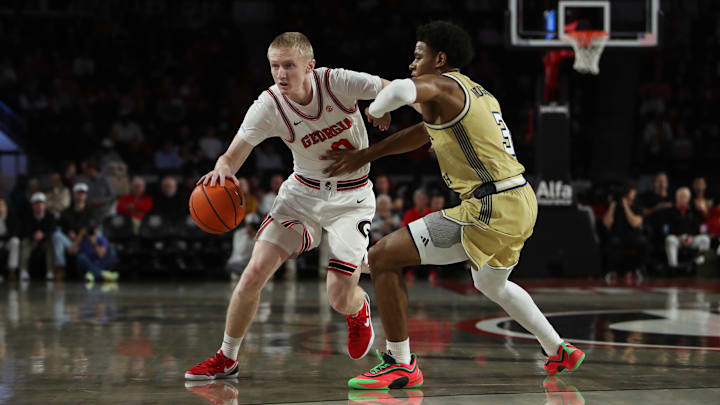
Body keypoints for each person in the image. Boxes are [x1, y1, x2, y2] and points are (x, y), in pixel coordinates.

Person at [322, 21, 584, 389]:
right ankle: (557, 347)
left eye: (418, 56)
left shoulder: (443, 84)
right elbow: (420, 134)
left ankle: (401, 363)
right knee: (493, 284)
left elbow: (398, 89)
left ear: (439, 59)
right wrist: (368, 154)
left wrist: (378, 110)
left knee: (382, 257)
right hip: (519, 200)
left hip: (490, 206)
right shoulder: (478, 93)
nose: (412, 64)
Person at [185, 32, 396, 380]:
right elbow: (234, 153)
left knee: (338, 296)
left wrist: (383, 105)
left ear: (309, 66)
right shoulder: (270, 104)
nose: (280, 74)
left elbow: (396, 88)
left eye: (288, 65)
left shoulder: (337, 82)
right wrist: (223, 167)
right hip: (301, 195)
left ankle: (358, 308)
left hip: (351, 199)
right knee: (254, 272)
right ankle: (227, 357)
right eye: (274, 66)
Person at [601, 185, 649, 283]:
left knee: (643, 243)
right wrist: (612, 206)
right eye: (628, 197)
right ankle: (612, 270)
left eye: (632, 197)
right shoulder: (615, 207)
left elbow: (635, 223)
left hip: (634, 236)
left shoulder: (637, 207)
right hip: (618, 236)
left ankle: (638, 269)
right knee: (611, 242)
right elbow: (606, 223)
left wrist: (626, 207)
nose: (631, 199)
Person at [7, 192, 56, 281]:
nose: (39, 206)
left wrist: (43, 234)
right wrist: (33, 235)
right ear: (32, 205)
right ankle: (23, 270)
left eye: (41, 203)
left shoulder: (50, 216)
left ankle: (50, 271)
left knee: (51, 244)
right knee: (25, 243)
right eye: (36, 203)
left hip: (45, 240)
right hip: (31, 239)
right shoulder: (27, 216)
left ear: (44, 204)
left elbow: (52, 230)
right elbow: (23, 230)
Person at [52, 183, 94, 281]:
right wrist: (68, 233)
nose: (80, 196)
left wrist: (76, 243)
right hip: (69, 242)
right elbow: (62, 228)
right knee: (56, 235)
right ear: (74, 195)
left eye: (82, 193)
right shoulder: (66, 212)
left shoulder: (90, 212)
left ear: (86, 195)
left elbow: (87, 230)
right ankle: (60, 267)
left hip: (84, 242)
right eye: (78, 193)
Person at [664, 187, 711, 270]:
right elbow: (665, 229)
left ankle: (701, 266)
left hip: (691, 238)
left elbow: (700, 227)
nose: (683, 199)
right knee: (669, 239)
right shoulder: (669, 211)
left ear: (689, 199)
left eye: (685, 197)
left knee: (705, 239)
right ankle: (673, 267)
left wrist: (692, 237)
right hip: (677, 239)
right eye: (680, 196)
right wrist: (678, 237)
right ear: (676, 198)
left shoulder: (694, 211)